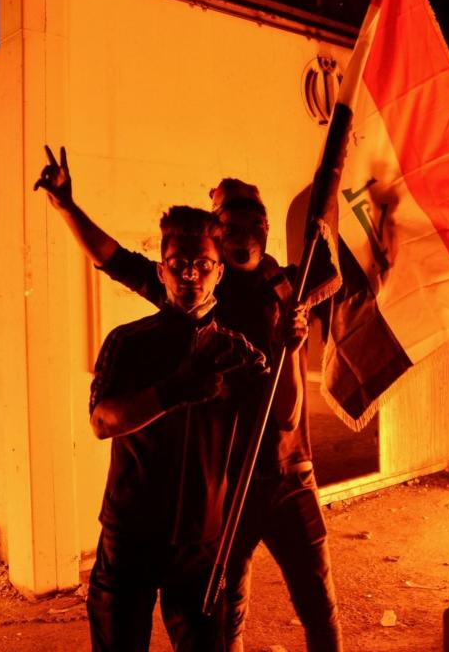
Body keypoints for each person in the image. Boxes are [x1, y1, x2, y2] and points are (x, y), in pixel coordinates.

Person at [35, 146, 343, 651]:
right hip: (215, 497)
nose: (191, 275)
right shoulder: (178, 315)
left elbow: (329, 279)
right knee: (226, 620)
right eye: (230, 223)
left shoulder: (281, 288)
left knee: (315, 608)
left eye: (252, 223)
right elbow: (112, 257)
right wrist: (68, 206)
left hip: (284, 475)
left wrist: (298, 321)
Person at [84, 204, 268, 652]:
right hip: (129, 536)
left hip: (201, 546)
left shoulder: (238, 354)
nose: (190, 276)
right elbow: (102, 422)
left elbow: (274, 428)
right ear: (162, 272)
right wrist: (173, 391)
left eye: (203, 265)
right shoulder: (127, 343)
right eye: (178, 265)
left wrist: (292, 348)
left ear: (219, 273)